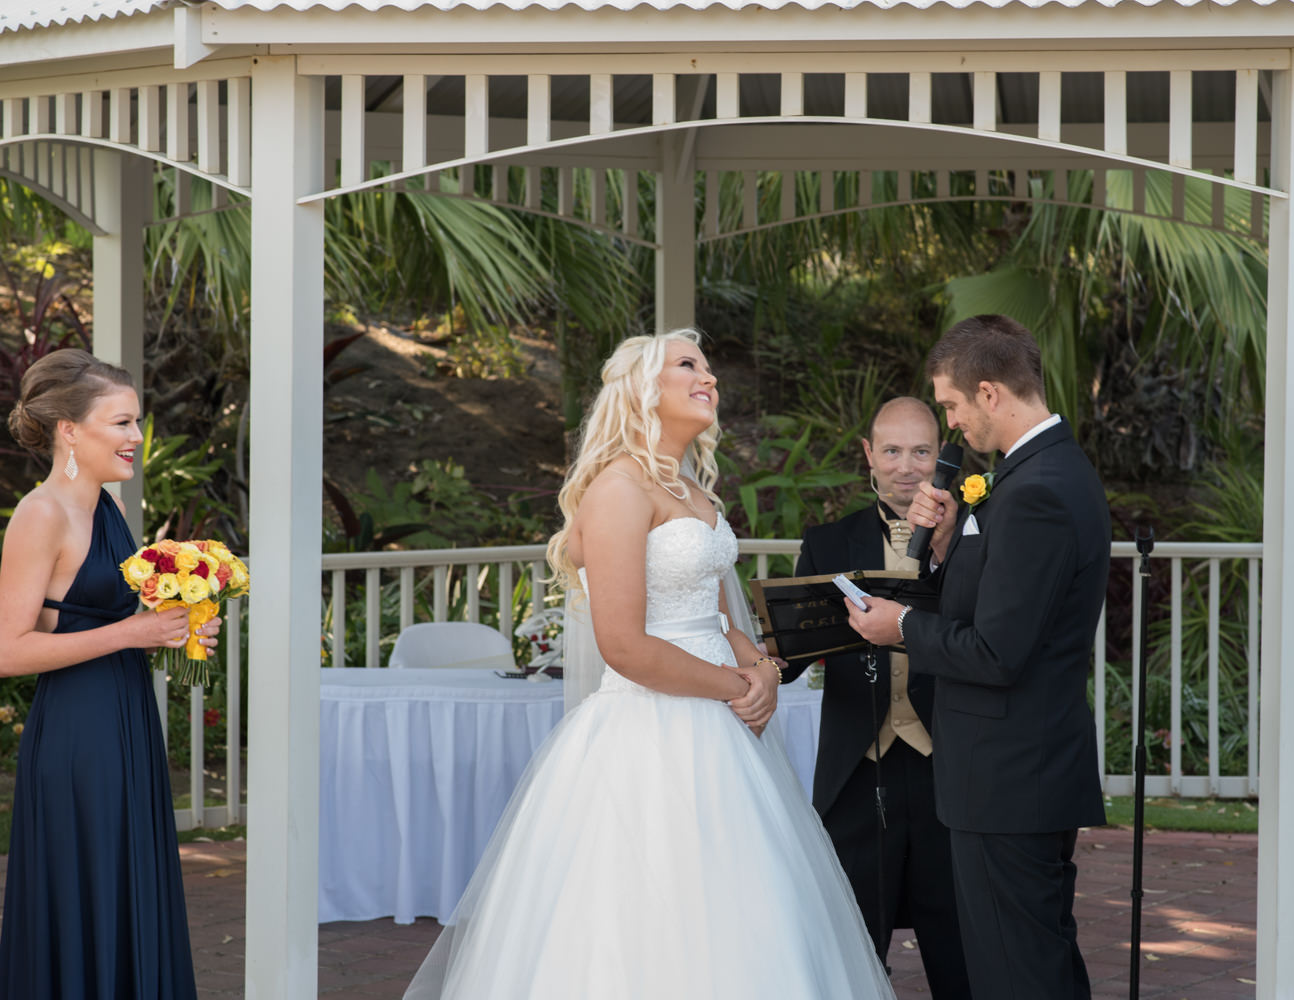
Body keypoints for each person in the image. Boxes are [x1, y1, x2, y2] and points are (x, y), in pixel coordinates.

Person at [404, 329, 895, 999]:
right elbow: (625, 645)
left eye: (710, 367)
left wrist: (761, 670)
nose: (709, 378)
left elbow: (718, 615)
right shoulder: (619, 489)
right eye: (688, 366)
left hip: (721, 732)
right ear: (643, 391)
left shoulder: (693, 490)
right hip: (649, 732)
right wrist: (735, 686)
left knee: (744, 907)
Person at [848, 314, 1109, 999]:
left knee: (1014, 969)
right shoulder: (1036, 476)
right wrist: (941, 552)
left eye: (954, 407)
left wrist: (898, 625)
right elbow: (993, 610)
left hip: (1010, 776)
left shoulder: (1036, 493)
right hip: (1020, 771)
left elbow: (996, 652)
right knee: (1029, 957)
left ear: (990, 393)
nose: (954, 426)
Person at [0, 348, 219, 999]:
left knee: (127, 883)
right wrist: (134, 632)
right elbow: (9, 650)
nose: (136, 438)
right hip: (78, 738)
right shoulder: (41, 515)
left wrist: (176, 630)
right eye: (121, 423)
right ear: (70, 429)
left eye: (137, 422)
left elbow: (110, 623)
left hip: (126, 721)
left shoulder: (111, 512)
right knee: (86, 886)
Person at [787, 396, 970, 998]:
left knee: (958, 941)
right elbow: (788, 657)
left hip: (950, 764)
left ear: (941, 453)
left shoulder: (975, 541)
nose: (906, 466)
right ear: (869, 454)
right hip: (856, 772)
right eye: (891, 450)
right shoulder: (827, 542)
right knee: (852, 939)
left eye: (921, 450)